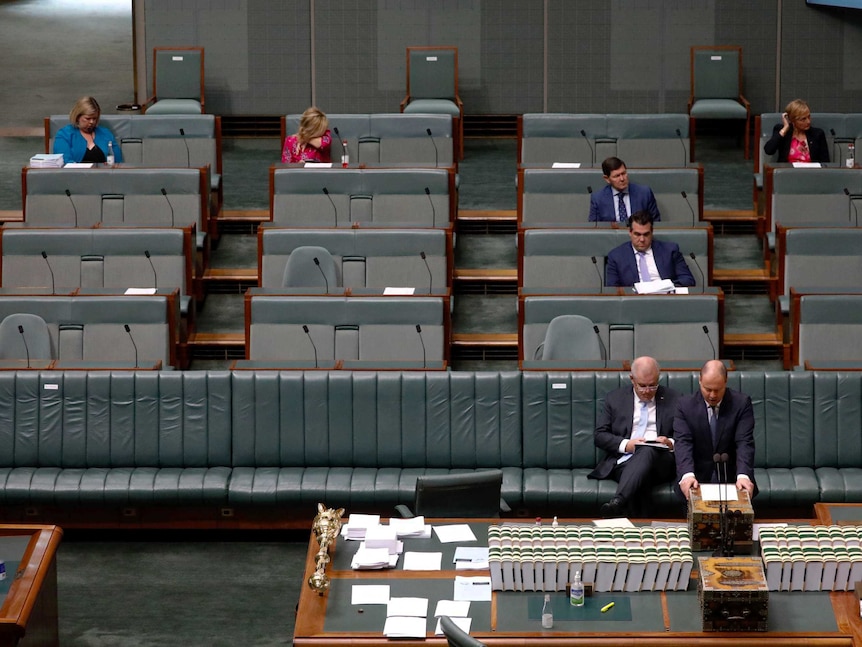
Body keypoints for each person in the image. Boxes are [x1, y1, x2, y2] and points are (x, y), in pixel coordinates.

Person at [588, 356, 680, 518]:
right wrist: (627, 445)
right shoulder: (615, 399)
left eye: (652, 386)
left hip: (662, 461)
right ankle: (645, 532)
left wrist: (669, 442)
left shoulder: (675, 398)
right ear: (632, 379)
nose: (647, 391)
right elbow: (599, 435)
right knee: (642, 479)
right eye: (642, 386)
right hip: (625, 462)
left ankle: (618, 502)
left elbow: (685, 435)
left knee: (646, 451)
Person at [673, 360, 757, 501]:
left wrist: (743, 475)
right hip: (695, 479)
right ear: (700, 381)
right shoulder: (684, 406)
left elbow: (744, 442)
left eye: (717, 390)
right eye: (708, 389)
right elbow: (683, 443)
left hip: (732, 478)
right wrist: (687, 475)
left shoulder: (741, 404)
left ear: (725, 381)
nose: (712, 395)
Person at [605, 210, 696, 288]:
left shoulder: (670, 250)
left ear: (652, 232)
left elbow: (688, 280)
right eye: (637, 234)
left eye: (646, 234)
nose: (642, 239)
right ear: (630, 232)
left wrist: (664, 286)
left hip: (666, 299)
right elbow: (613, 289)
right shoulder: (616, 256)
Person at [53, 96, 122, 165]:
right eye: (88, 118)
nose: (91, 122)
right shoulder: (64, 134)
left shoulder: (106, 134)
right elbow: (64, 162)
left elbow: (118, 162)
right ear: (77, 117)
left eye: (94, 118)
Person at [589, 156, 660, 223]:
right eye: (616, 176)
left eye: (623, 173)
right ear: (607, 179)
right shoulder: (598, 198)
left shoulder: (644, 193)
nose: (622, 179)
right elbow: (594, 227)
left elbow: (655, 222)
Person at [763, 99, 830, 164]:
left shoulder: (817, 134)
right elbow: (769, 150)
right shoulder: (782, 131)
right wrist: (785, 128)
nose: (808, 121)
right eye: (803, 119)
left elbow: (825, 162)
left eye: (809, 117)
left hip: (811, 173)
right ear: (792, 120)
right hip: (787, 172)